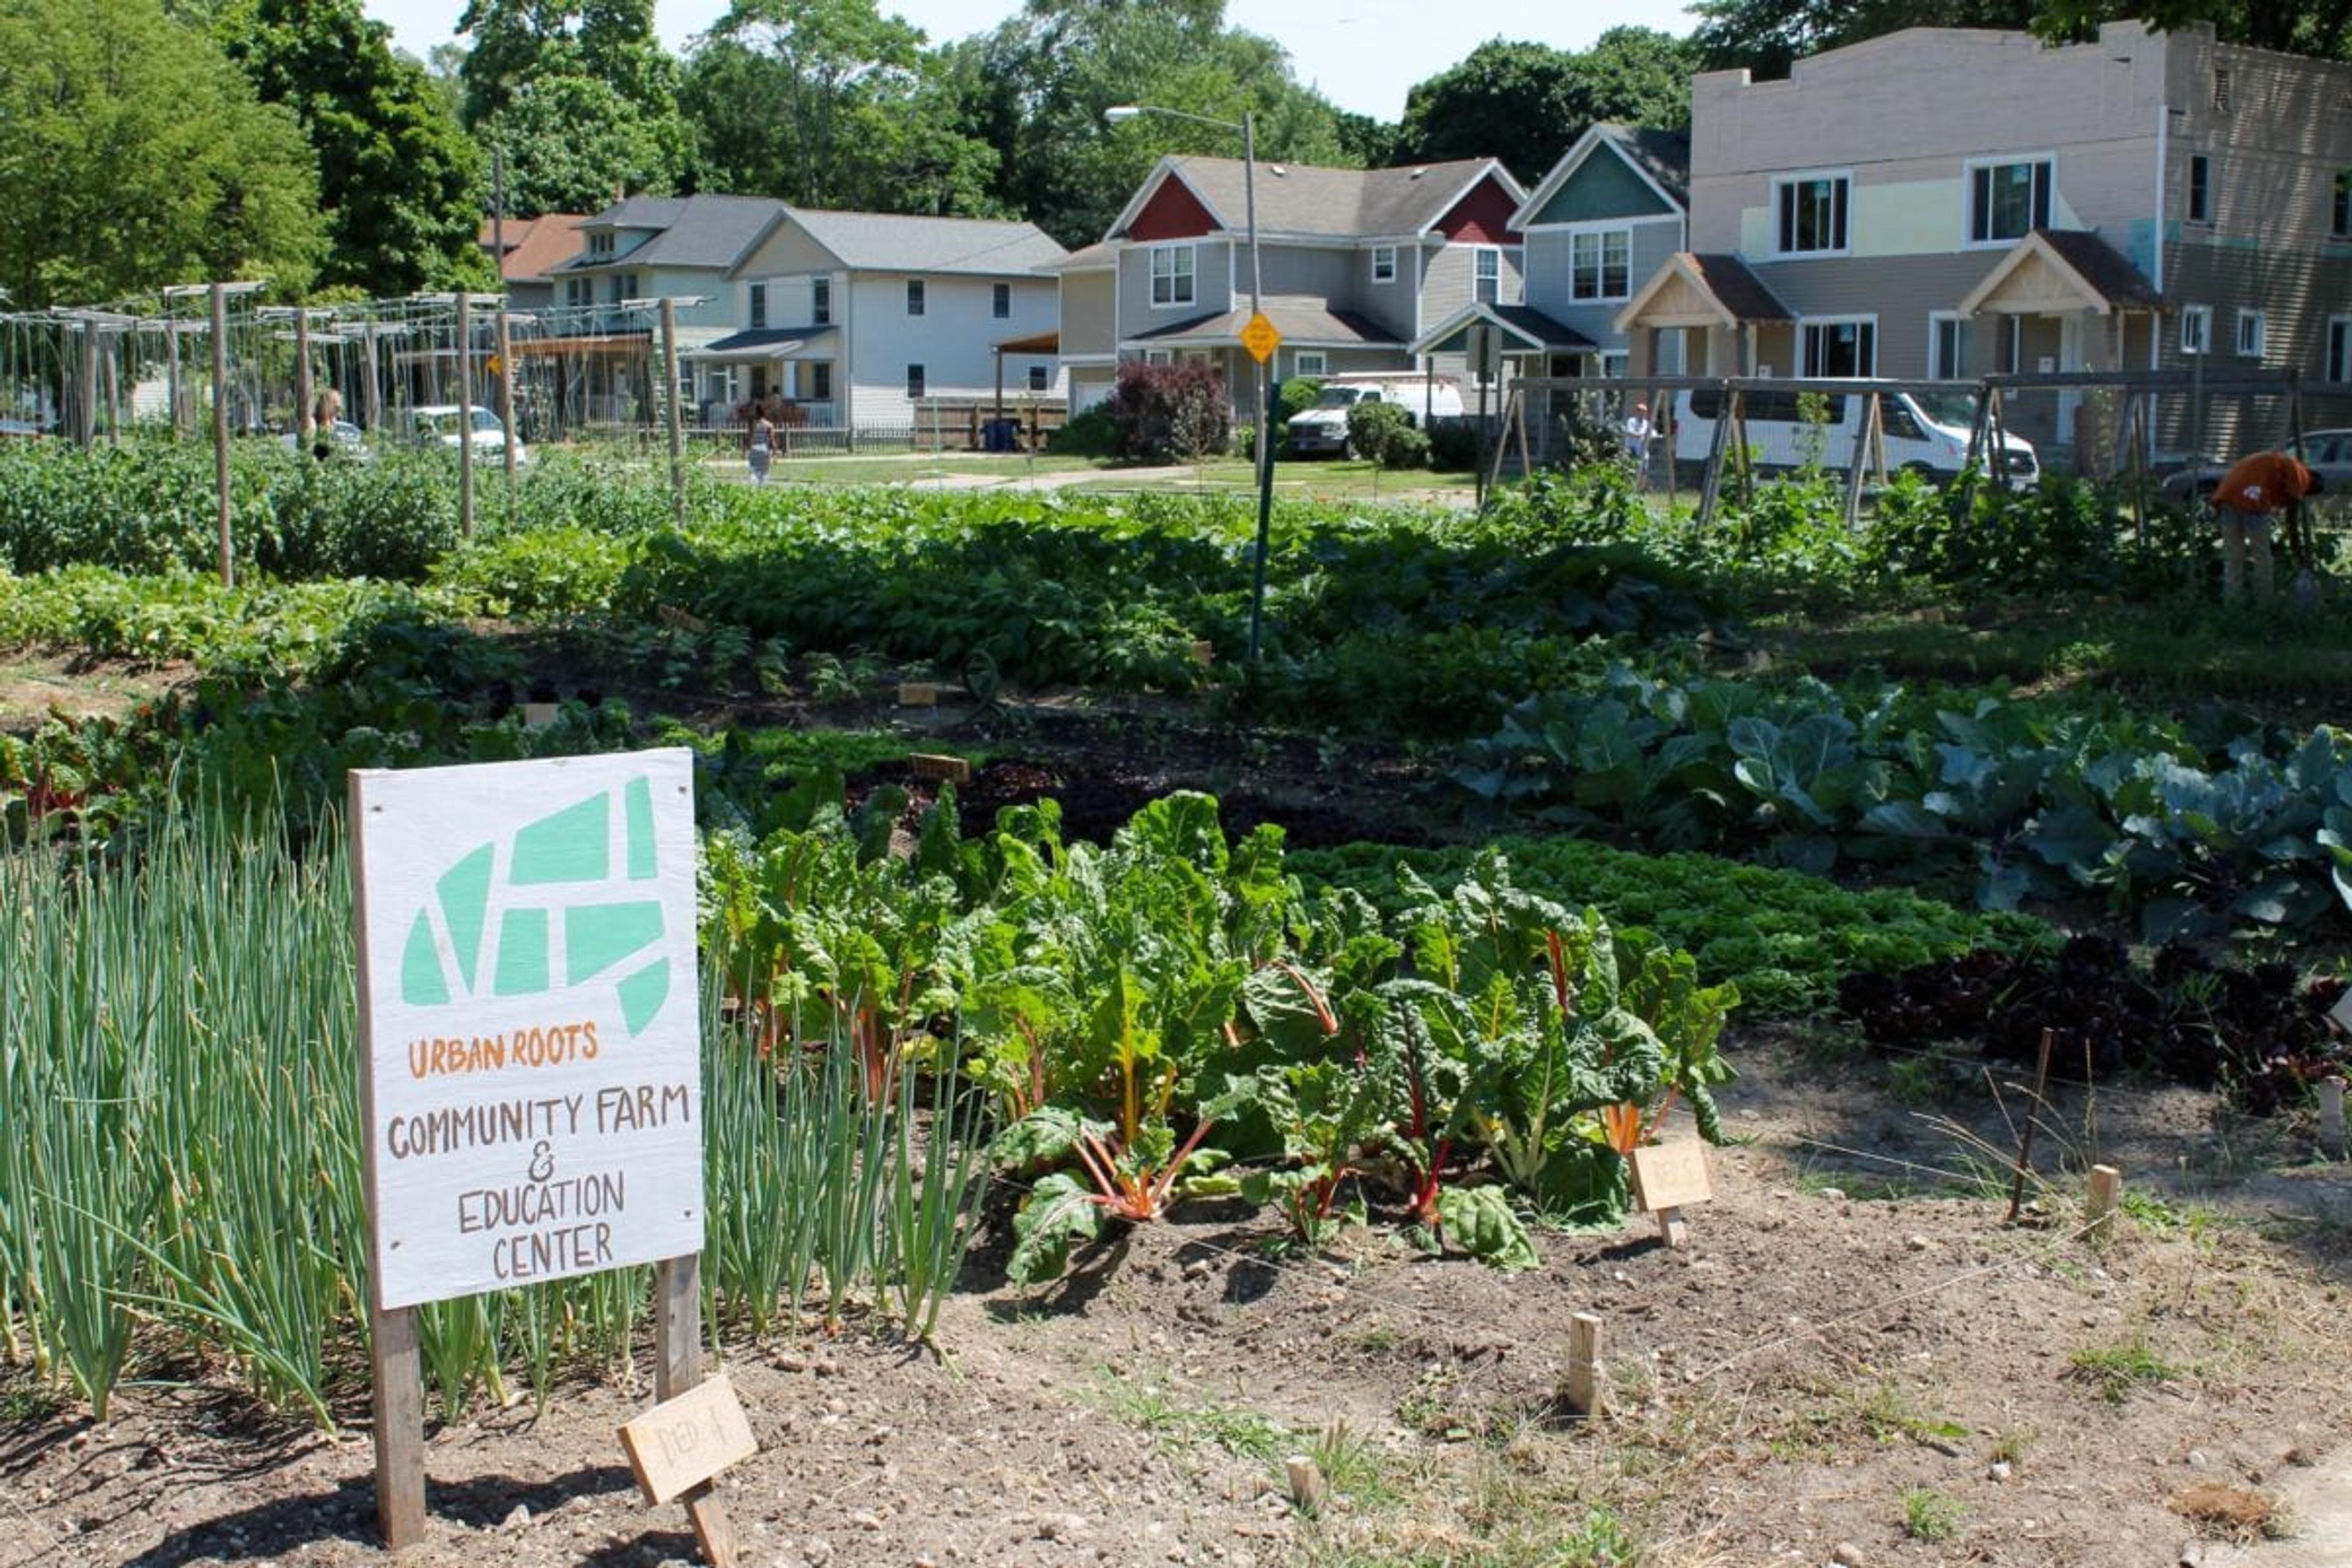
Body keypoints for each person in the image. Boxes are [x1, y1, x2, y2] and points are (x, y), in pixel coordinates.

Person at [2207, 449, 2323, 604]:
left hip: (2227, 495)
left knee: (2234, 557)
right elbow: (2292, 520)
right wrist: (2299, 554)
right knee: (2263, 558)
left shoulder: (2283, 464)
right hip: (2252, 497)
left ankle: (2231, 603)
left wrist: (2275, 542)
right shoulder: (2302, 477)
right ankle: (2265, 603)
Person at [1622, 401, 1655, 489]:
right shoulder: (1631, 421)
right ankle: (1628, 488)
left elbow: (1653, 434)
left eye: (1644, 411)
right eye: (1641, 411)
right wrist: (1643, 435)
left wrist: (1650, 435)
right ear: (1637, 412)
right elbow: (1630, 433)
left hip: (1643, 451)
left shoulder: (1647, 423)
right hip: (1631, 450)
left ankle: (1641, 489)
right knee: (1629, 470)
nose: (1643, 413)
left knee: (1644, 471)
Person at [310, 386, 342, 461]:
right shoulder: (313, 422)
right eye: (336, 408)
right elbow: (310, 451)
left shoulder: (331, 424)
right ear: (328, 406)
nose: (338, 413)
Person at [747, 410, 774, 486]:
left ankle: (754, 488)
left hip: (754, 448)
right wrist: (774, 452)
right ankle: (763, 487)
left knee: (753, 470)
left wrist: (747, 450)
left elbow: (749, 438)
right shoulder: (769, 425)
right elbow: (771, 440)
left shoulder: (753, 425)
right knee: (764, 471)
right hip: (764, 448)